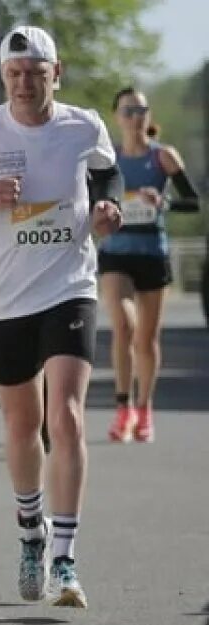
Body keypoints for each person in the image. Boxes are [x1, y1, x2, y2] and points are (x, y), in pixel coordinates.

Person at [0, 25, 124, 609]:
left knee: (65, 416)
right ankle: (30, 531)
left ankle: (66, 562)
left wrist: (109, 205)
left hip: (70, 287)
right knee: (22, 425)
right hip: (7, 299)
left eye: (35, 74)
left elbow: (106, 171)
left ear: (55, 73)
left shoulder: (83, 124)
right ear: (3, 76)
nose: (23, 84)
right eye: (14, 74)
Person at [98, 87, 200, 443]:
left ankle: (144, 408)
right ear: (117, 117)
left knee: (146, 338)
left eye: (140, 110)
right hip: (115, 254)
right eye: (128, 111)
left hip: (152, 254)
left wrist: (163, 202)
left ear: (148, 116)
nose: (135, 117)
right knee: (123, 327)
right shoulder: (106, 158)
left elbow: (193, 202)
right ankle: (122, 408)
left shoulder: (163, 158)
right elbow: (90, 199)